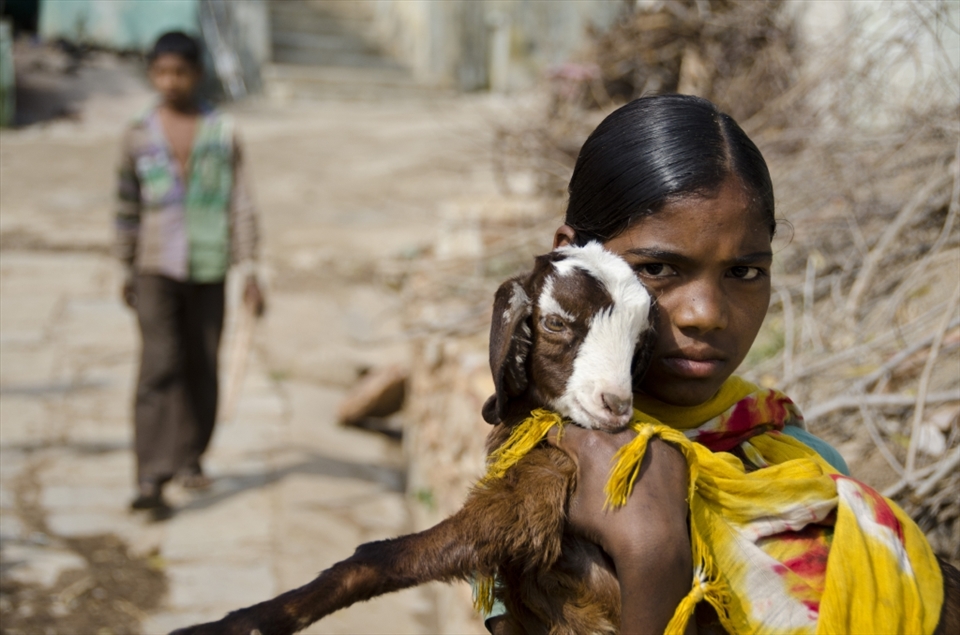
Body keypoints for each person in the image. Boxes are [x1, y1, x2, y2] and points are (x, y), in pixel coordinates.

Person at [484, 94, 945, 634]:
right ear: (571, 258)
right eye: (657, 268)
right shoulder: (542, 468)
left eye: (744, 273)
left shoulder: (799, 467)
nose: (705, 314)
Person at [114, 31, 264, 511]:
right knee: (160, 364)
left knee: (202, 363)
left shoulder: (222, 132)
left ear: (196, 74)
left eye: (179, 71)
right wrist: (125, 265)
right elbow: (125, 205)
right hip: (154, 267)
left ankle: (190, 456)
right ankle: (150, 476)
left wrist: (252, 269)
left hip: (208, 264)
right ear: (152, 75)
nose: (170, 81)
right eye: (161, 72)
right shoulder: (138, 132)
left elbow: (241, 203)